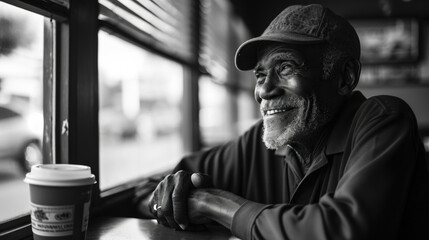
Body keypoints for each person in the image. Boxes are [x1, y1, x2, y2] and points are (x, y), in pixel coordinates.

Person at [134, 4, 429, 240]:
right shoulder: (257, 143)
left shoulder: (385, 119)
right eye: (260, 75)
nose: (264, 90)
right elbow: (148, 190)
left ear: (344, 77)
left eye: (285, 67)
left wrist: (212, 203)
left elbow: (344, 231)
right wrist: (173, 197)